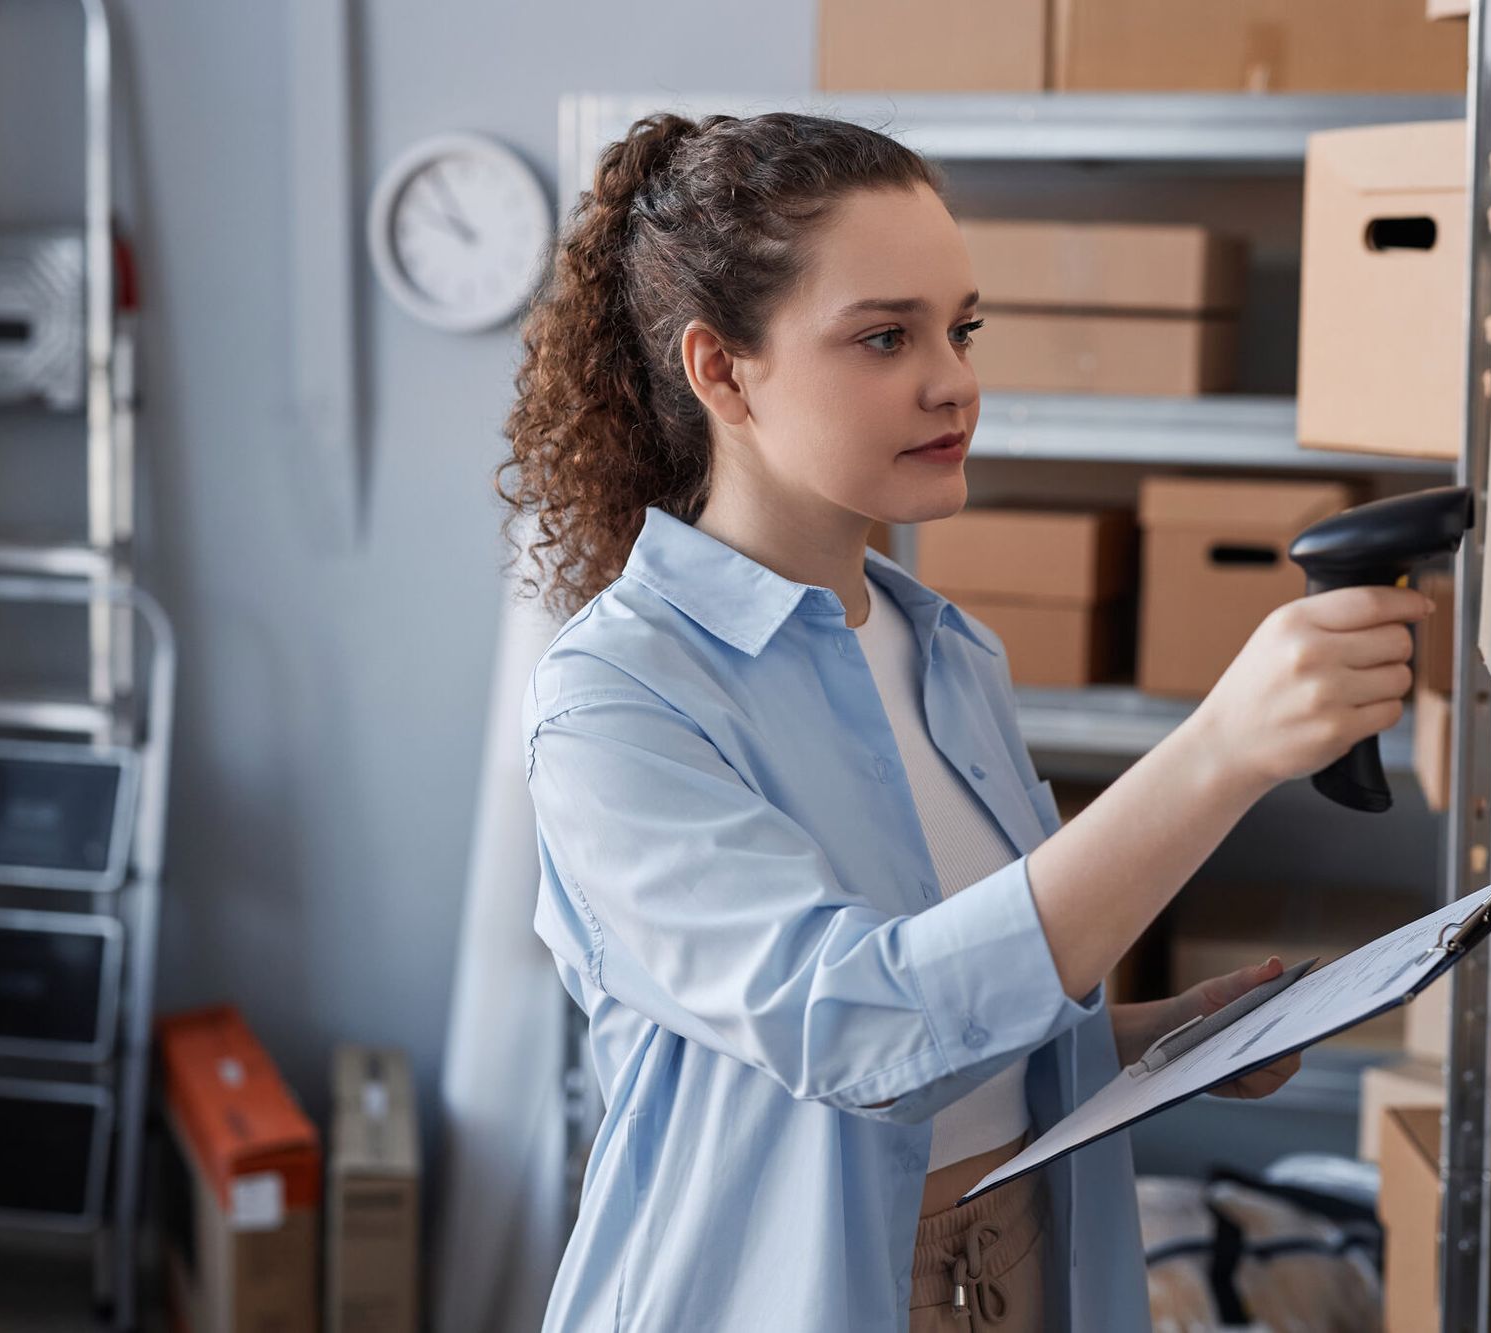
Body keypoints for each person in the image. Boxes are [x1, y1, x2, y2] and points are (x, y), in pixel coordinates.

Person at [498, 109, 1430, 1333]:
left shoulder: (945, 648)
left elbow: (969, 1020)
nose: (953, 381)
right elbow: (863, 1031)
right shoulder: (617, 701)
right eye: (884, 337)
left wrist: (1145, 1042)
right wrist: (1220, 750)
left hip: (1022, 1251)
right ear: (719, 370)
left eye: (961, 327)